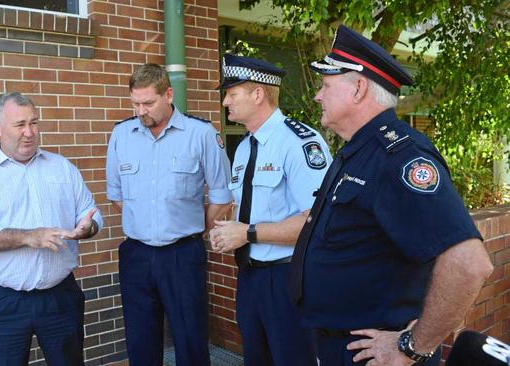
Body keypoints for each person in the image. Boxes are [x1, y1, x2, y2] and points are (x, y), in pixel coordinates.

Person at [290, 24, 493, 365]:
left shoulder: (398, 157)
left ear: (358, 88)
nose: (317, 96)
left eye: (325, 86)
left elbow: (469, 263)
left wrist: (412, 346)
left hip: (376, 355)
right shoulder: (357, 150)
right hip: (339, 345)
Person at [0, 92, 103, 366]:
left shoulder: (62, 168)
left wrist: (87, 227)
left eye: (34, 123)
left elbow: (89, 212)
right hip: (3, 303)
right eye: (20, 124)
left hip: (60, 297)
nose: (29, 132)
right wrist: (28, 237)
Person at [106, 64, 232, 366]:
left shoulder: (200, 134)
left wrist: (191, 227)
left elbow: (221, 196)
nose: (141, 111)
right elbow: (117, 197)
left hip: (182, 254)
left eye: (148, 103)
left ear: (169, 94)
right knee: (140, 341)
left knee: (190, 339)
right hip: (136, 254)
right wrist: (149, 220)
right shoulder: (121, 135)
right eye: (135, 103)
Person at [209, 53, 331, 366]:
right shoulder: (244, 148)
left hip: (288, 278)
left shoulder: (300, 143)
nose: (226, 102)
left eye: (232, 94)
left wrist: (247, 233)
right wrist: (229, 233)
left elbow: (315, 221)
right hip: (250, 278)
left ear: (258, 94)